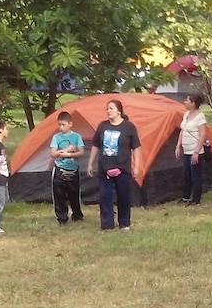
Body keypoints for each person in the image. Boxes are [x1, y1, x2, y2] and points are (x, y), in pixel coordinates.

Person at [86, 99, 142, 231]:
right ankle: (107, 225)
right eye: (107, 109)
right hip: (104, 169)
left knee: (123, 196)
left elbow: (136, 147)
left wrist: (136, 166)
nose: (108, 111)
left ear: (119, 111)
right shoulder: (102, 126)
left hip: (123, 169)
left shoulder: (129, 127)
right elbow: (95, 145)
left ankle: (124, 223)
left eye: (111, 108)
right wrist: (90, 163)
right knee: (105, 196)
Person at [49, 111, 85, 224]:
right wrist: (65, 151)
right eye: (59, 125)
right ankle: (62, 217)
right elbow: (53, 153)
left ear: (70, 124)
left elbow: (81, 152)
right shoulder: (56, 137)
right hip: (60, 168)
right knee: (59, 194)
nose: (61, 127)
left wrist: (69, 154)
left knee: (74, 193)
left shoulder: (76, 136)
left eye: (63, 124)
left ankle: (77, 215)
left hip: (73, 169)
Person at [174, 93, 208, 206]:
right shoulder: (186, 114)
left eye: (187, 100)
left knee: (195, 176)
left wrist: (196, 152)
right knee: (186, 174)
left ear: (193, 103)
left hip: (195, 150)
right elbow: (183, 130)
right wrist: (178, 146)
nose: (185, 102)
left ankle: (196, 199)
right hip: (186, 150)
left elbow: (203, 135)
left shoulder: (200, 117)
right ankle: (186, 196)